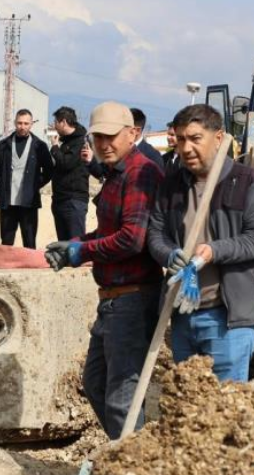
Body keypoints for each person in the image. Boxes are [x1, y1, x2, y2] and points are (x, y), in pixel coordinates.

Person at [44, 101, 165, 440]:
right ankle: (127, 453)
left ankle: (134, 470)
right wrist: (75, 244)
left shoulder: (142, 173)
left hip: (133, 299)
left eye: (112, 137)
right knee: (95, 385)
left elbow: (131, 240)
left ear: (132, 134)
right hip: (112, 300)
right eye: (98, 138)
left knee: (121, 399)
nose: (104, 144)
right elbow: (109, 232)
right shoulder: (114, 175)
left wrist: (81, 251)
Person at [147, 104, 254, 382]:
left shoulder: (248, 183)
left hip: (228, 320)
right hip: (184, 313)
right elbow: (156, 234)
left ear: (218, 138)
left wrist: (214, 251)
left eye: (195, 138)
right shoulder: (171, 187)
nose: (186, 148)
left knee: (223, 409)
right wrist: (169, 255)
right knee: (187, 403)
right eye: (181, 139)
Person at [0, 109, 53, 249]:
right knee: (6, 241)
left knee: (29, 242)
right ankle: (6, 269)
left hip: (29, 203)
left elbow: (49, 171)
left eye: (26, 123)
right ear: (15, 123)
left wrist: (35, 184)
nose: (22, 126)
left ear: (31, 124)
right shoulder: (3, 145)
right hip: (7, 200)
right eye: (19, 123)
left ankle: (29, 270)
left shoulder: (40, 146)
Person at [48, 106, 90, 240]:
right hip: (60, 199)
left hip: (73, 201)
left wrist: (54, 147)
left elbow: (66, 164)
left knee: (75, 245)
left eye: (56, 122)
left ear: (64, 122)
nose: (54, 126)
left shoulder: (80, 142)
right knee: (63, 244)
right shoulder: (67, 141)